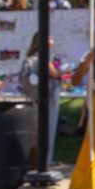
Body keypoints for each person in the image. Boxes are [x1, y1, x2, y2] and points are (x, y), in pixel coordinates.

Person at [20, 31, 63, 169]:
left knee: (37, 130)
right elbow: (55, 74)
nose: (52, 41)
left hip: (35, 98)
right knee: (48, 129)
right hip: (49, 98)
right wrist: (65, 72)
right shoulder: (43, 58)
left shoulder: (31, 58)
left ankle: (37, 159)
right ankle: (46, 160)